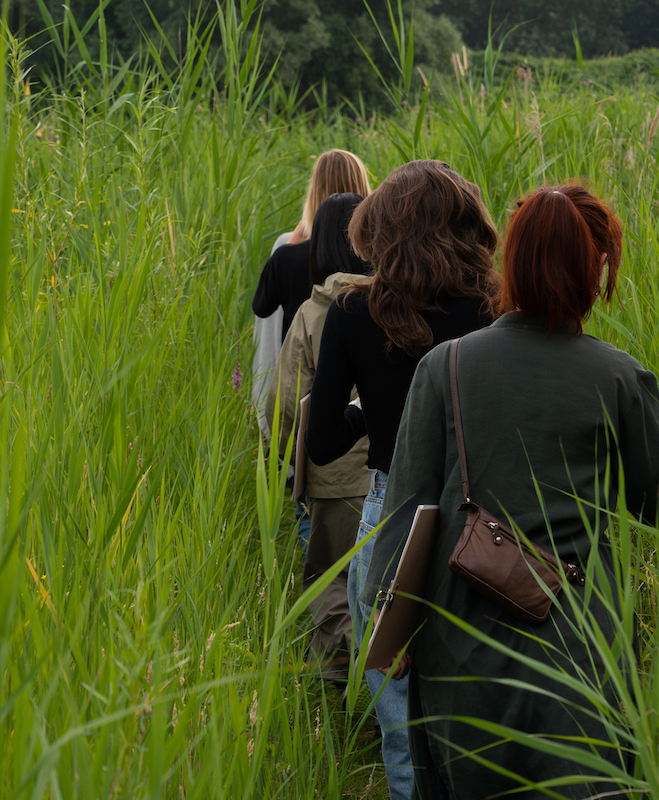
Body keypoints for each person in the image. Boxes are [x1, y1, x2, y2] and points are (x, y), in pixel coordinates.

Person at [361, 185, 659, 798]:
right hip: (577, 650)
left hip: (460, 647)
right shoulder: (619, 377)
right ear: (596, 270)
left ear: (510, 264)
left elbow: (406, 507)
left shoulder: (445, 367)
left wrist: (391, 619)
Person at [305, 160, 501, 800]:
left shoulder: (355, 312)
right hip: (487, 513)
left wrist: (370, 409)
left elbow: (325, 439)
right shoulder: (498, 308)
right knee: (483, 710)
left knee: (398, 712)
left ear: (381, 230)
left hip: (394, 514)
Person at [265, 193, 372, 680]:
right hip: (392, 469)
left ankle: (347, 668)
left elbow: (285, 404)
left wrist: (290, 456)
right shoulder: (395, 305)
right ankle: (383, 664)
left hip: (331, 476)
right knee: (379, 579)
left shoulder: (312, 313)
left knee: (329, 579)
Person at [251, 148, 373, 343]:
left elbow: (262, 308)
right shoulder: (378, 256)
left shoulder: (287, 257)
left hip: (303, 368)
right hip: (360, 365)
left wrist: (286, 249)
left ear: (315, 191)